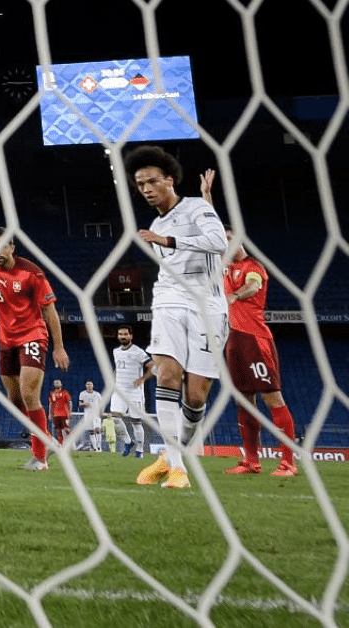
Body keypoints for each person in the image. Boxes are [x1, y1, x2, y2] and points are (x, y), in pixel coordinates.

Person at [126, 147, 228, 489]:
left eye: (152, 181)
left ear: (169, 180)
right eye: (140, 184)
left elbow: (217, 241)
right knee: (167, 373)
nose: (146, 188)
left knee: (196, 395)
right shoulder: (156, 222)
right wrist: (161, 235)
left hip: (208, 307)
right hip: (169, 300)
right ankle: (178, 467)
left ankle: (169, 458)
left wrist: (166, 239)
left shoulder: (197, 208)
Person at [0, 227, 70, 471]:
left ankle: (40, 458)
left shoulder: (31, 273)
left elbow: (49, 311)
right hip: (6, 341)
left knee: (28, 395)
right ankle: (45, 437)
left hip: (33, 337)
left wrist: (59, 348)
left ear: (12, 247)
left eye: (2, 245)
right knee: (14, 401)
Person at [221, 226, 298, 476]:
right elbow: (212, 226)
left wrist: (234, 297)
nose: (226, 243)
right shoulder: (226, 267)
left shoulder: (253, 267)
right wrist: (207, 196)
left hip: (255, 339)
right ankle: (251, 461)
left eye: (230, 238)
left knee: (272, 398)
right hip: (233, 339)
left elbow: (253, 287)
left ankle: (288, 462)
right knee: (244, 400)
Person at [107, 324, 153, 458]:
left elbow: (152, 367)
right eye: (120, 334)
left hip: (135, 392)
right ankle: (128, 442)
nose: (123, 336)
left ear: (131, 336)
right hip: (119, 390)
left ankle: (139, 450)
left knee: (136, 422)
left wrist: (143, 378)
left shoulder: (138, 352)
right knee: (115, 418)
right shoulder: (116, 351)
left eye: (125, 334)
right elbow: (118, 368)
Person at [77, 381, 106, 452]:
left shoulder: (97, 394)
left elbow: (102, 404)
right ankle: (95, 448)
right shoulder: (82, 394)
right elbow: (80, 404)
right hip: (88, 415)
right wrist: (86, 404)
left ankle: (99, 447)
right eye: (88, 385)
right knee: (91, 431)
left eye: (90, 385)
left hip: (96, 415)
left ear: (93, 386)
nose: (89, 386)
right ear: (86, 386)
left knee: (97, 429)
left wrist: (101, 412)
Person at [47, 379, 72, 446]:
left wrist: (70, 412)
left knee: (66, 428)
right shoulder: (52, 393)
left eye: (58, 383)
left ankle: (72, 440)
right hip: (56, 414)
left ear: (61, 384)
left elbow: (69, 403)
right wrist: (50, 414)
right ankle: (61, 445)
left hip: (64, 414)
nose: (57, 384)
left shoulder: (65, 393)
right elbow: (51, 404)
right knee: (59, 430)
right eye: (55, 383)